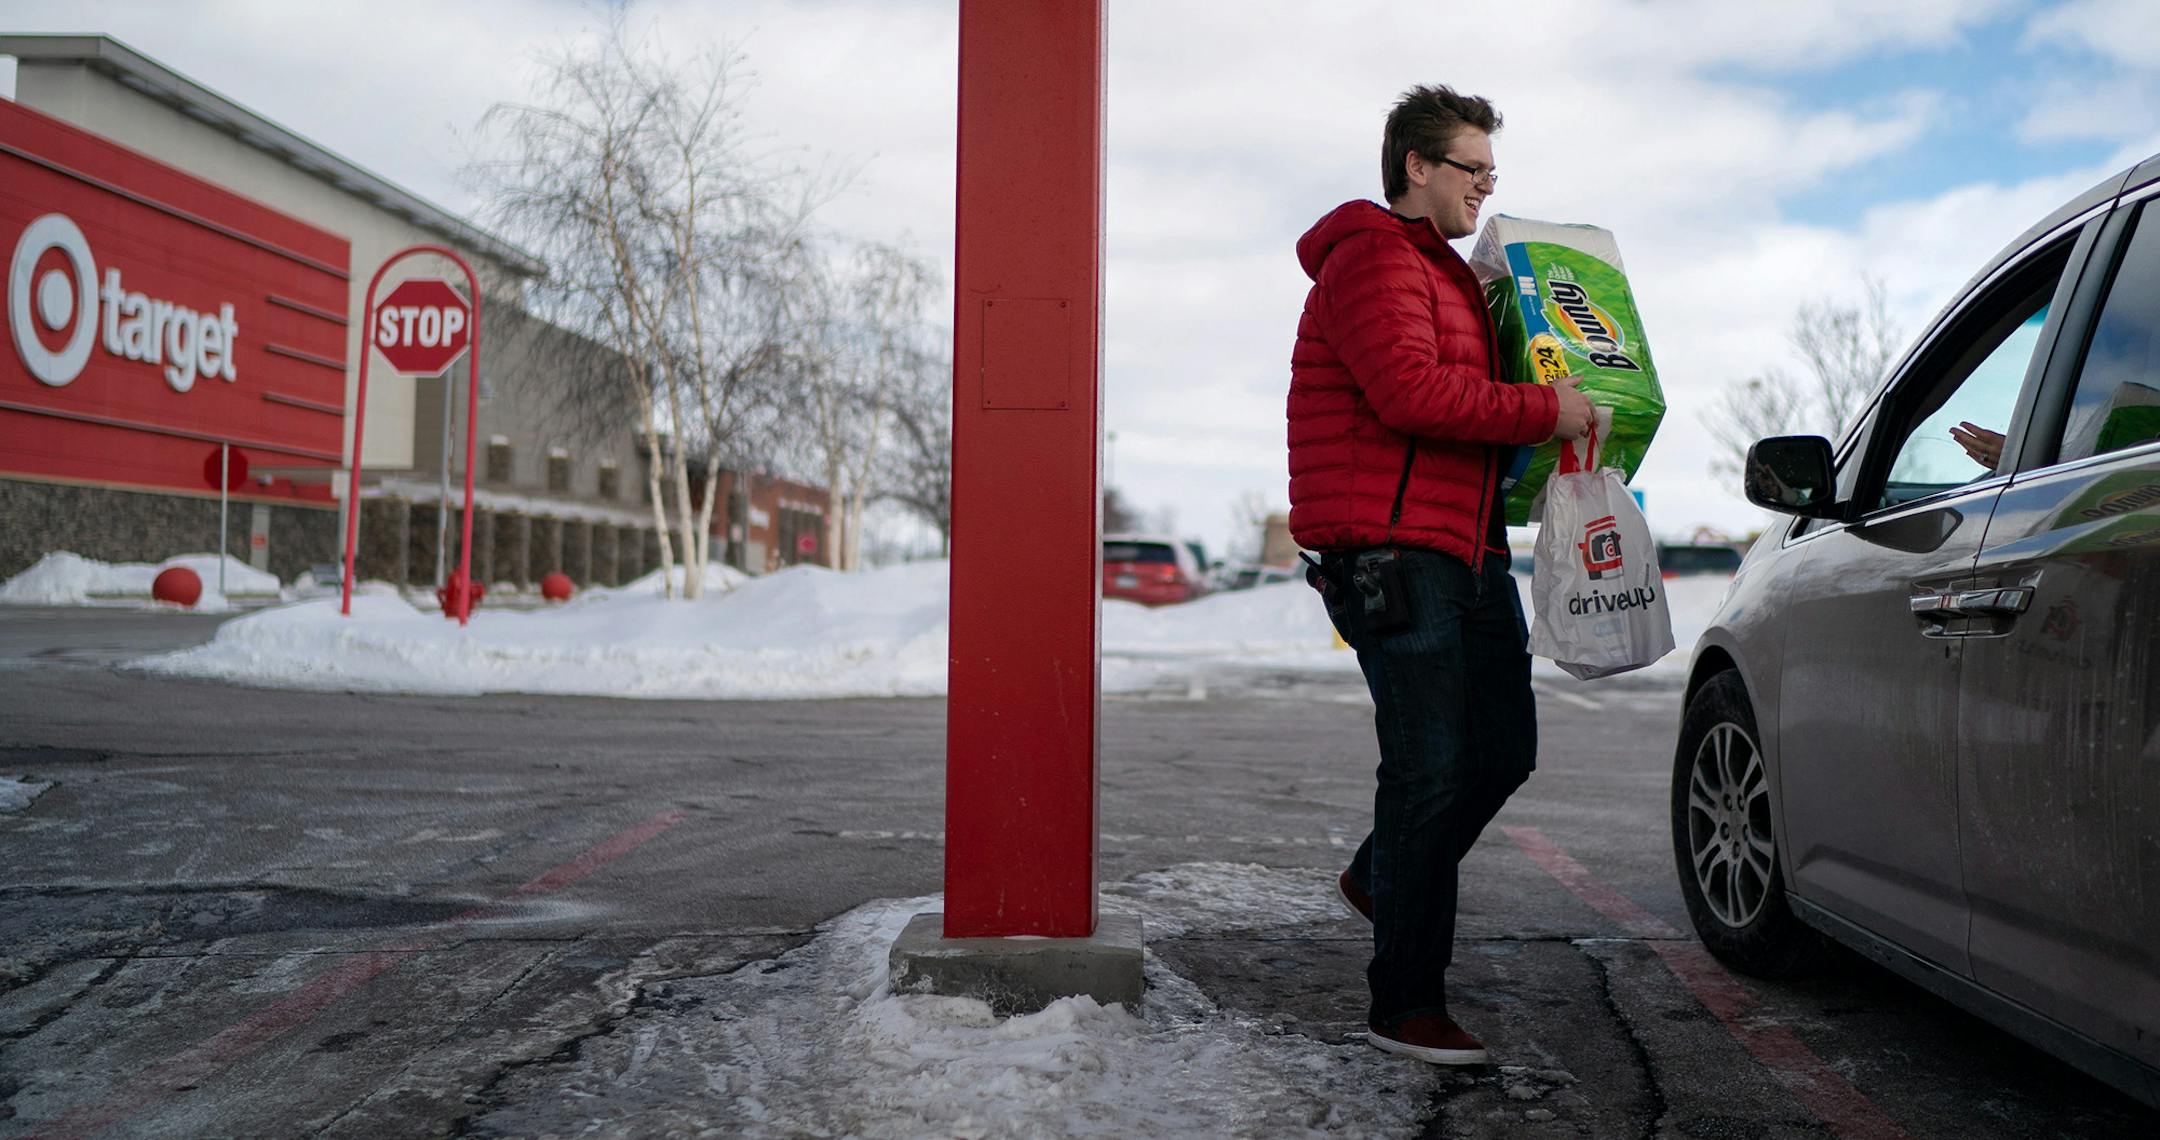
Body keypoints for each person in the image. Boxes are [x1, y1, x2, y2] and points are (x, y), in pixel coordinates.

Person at [1286, 84, 1594, 1066]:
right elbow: (1411, 393)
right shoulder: (1376, 259)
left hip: (1466, 553)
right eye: (1473, 170)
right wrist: (1544, 411)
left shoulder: (1454, 276)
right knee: (1427, 770)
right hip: (1390, 553)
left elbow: (1475, 402)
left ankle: (1385, 876)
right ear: (1418, 166)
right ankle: (1404, 1001)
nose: (1486, 188)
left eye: (1493, 173)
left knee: (1501, 751)